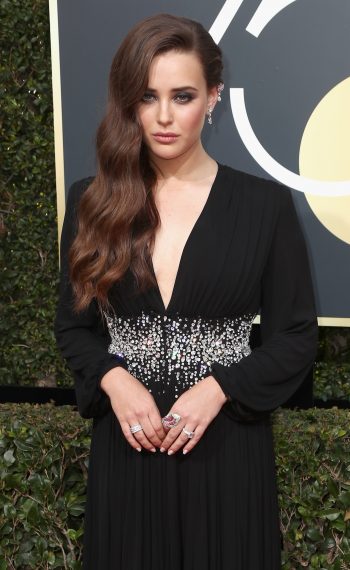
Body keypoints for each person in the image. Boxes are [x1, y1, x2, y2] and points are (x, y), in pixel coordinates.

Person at [55, 13, 318, 570]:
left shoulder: (263, 207)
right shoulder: (93, 202)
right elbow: (73, 327)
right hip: (128, 446)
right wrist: (114, 380)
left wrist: (220, 387)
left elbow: (294, 335)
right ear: (130, 103)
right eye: (148, 97)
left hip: (226, 447)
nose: (166, 117)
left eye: (184, 95)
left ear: (214, 96)